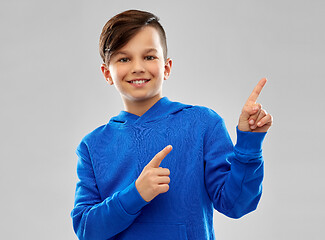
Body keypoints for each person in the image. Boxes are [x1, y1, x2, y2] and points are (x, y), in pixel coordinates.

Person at [71, 9, 273, 240]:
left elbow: (237, 204)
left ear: (166, 67)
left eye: (149, 57)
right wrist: (135, 194)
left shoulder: (202, 124)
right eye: (124, 58)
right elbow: (87, 230)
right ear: (107, 73)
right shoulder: (92, 145)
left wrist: (249, 145)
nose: (138, 67)